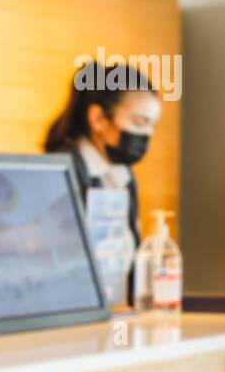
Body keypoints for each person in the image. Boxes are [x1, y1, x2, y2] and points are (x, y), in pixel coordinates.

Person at [43, 61, 162, 299]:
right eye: (139, 123)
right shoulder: (59, 172)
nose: (147, 135)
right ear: (98, 119)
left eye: (152, 126)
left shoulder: (122, 175)